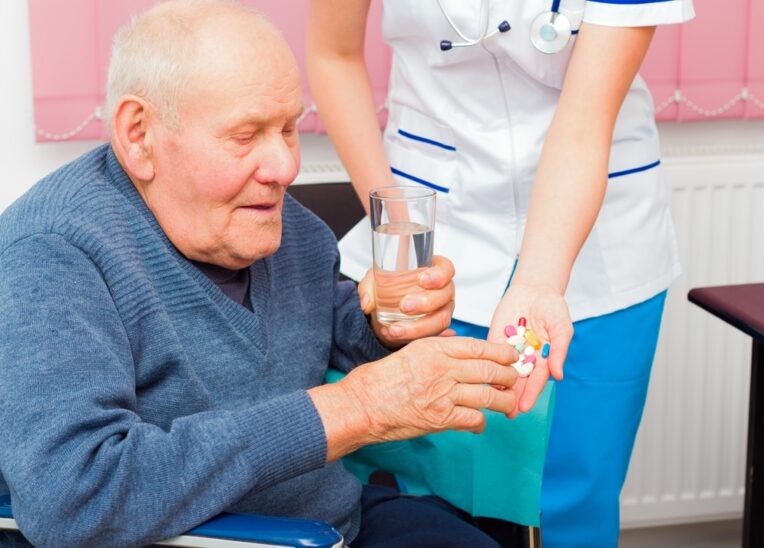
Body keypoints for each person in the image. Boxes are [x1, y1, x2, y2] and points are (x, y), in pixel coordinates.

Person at [0, 2, 523, 546]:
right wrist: (357, 409)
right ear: (139, 135)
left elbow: (317, 326)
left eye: (290, 128)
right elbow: (76, 497)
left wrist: (384, 329)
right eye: (246, 135)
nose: (285, 167)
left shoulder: (282, 223)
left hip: (328, 519)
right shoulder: (53, 255)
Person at [307, 0, 695, 546]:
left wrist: (537, 282)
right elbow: (334, 52)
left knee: (566, 504)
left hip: (595, 248)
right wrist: (396, 231)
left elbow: (584, 122)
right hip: (430, 225)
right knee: (414, 498)